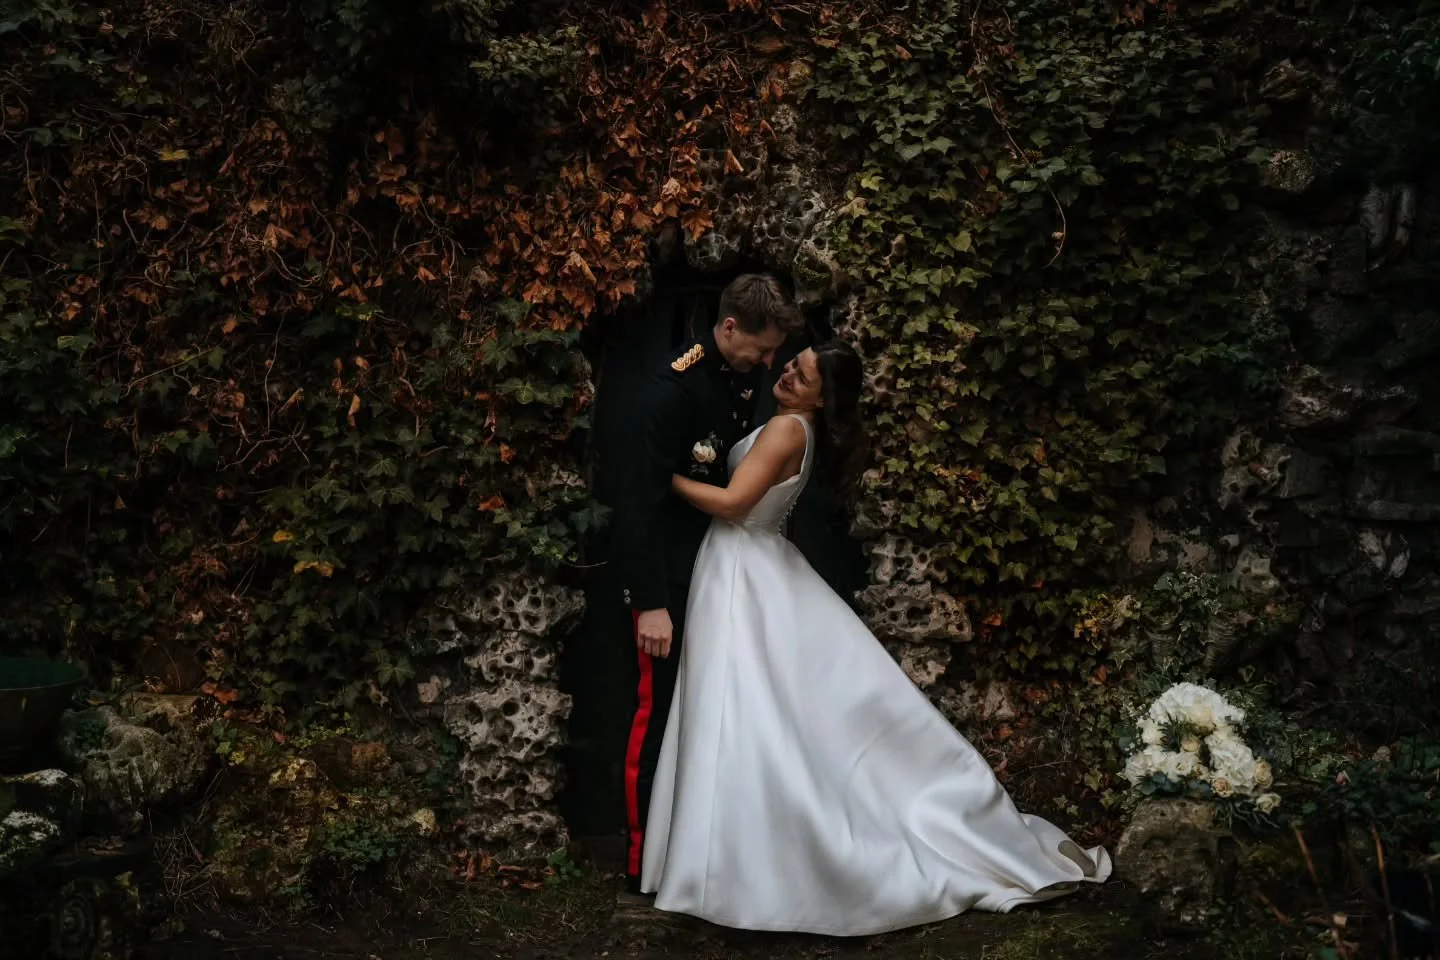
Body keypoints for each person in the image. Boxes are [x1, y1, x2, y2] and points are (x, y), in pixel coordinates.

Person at [639, 340, 1112, 935]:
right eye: (791, 363)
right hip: (746, 566)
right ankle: (723, 861)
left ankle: (733, 869)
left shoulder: (788, 430)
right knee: (744, 708)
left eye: (802, 373)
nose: (787, 372)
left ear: (821, 396)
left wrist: (666, 478)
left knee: (739, 707)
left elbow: (735, 505)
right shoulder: (789, 426)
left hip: (742, 570)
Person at [611, 273, 805, 894]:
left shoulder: (740, 375)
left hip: (719, 575)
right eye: (762, 348)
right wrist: (650, 605)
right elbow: (636, 505)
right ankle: (642, 862)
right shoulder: (670, 391)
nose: (769, 362)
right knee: (655, 711)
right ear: (727, 328)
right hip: (667, 580)